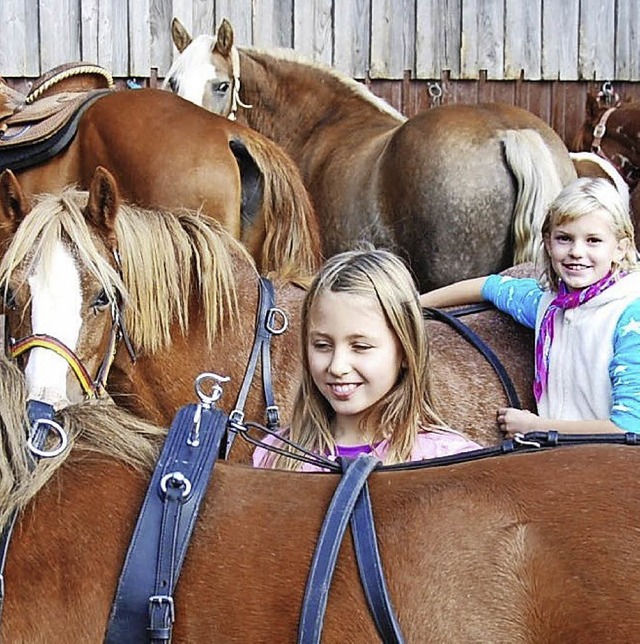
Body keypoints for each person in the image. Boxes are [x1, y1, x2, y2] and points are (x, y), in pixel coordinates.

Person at [421, 177, 640, 437]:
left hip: (616, 463)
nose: (576, 251)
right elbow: (490, 287)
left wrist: (536, 426)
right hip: (565, 456)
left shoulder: (629, 316)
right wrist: (413, 304)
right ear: (548, 242)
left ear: (620, 248)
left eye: (593, 240)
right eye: (564, 238)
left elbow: (629, 427)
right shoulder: (549, 305)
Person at [253, 248, 481, 471]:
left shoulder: (449, 462)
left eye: (360, 347)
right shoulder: (273, 455)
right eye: (322, 345)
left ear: (405, 350)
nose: (337, 366)